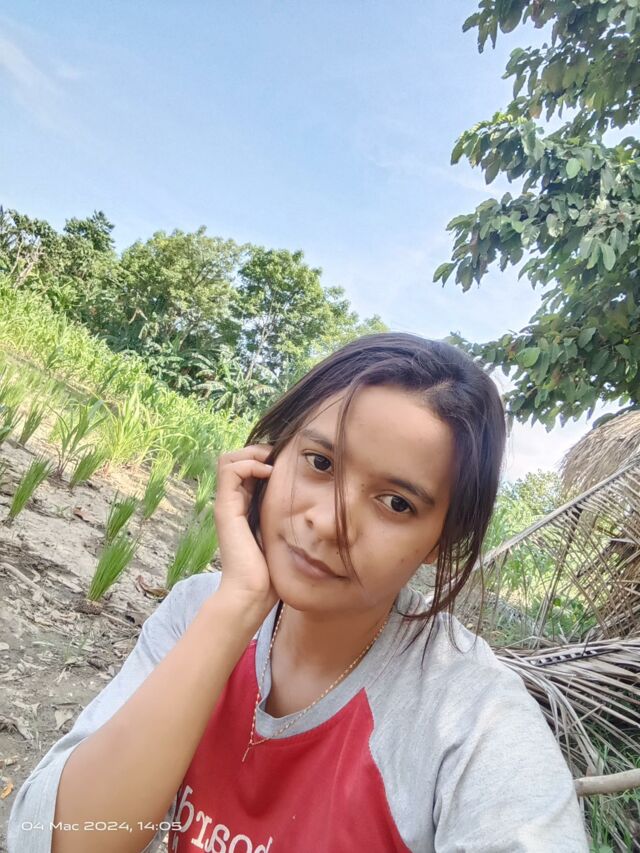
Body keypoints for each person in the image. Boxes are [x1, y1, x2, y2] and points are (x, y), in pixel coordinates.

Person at [7, 332, 589, 853]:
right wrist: (236, 607)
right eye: (319, 462)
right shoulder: (199, 612)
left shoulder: (470, 720)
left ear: (441, 540)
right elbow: (55, 842)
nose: (328, 522)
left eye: (396, 503)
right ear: (269, 457)